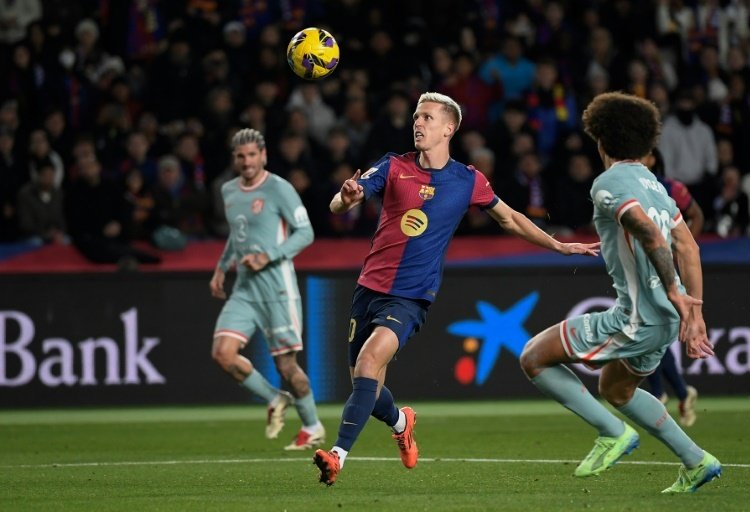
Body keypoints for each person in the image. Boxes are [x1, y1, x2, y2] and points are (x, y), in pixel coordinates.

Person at [312, 92, 600, 486]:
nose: (418, 123)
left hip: (411, 296)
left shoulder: (468, 180)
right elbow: (339, 204)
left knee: (367, 363)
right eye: (416, 116)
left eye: (427, 118)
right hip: (368, 289)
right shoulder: (393, 166)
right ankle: (401, 421)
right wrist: (346, 199)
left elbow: (511, 219)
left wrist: (559, 245)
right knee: (366, 386)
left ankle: (337, 456)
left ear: (449, 128)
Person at [519, 92, 721, 494]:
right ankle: (698, 461)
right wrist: (692, 313)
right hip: (665, 319)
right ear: (646, 143)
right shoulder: (656, 185)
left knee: (533, 358)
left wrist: (674, 293)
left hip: (638, 317)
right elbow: (689, 247)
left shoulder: (608, 183)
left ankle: (612, 432)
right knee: (616, 388)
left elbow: (645, 231)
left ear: (600, 141)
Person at [209, 128, 324, 451]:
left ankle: (312, 426)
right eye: (240, 156)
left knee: (287, 367)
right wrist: (221, 268)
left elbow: (306, 233)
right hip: (245, 290)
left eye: (252, 155)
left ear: (264, 156)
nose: (246, 162)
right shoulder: (229, 190)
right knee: (222, 353)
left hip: (278, 289)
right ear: (235, 159)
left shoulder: (280, 189)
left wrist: (268, 256)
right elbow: (237, 234)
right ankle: (276, 398)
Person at [641, 148, 703, 427]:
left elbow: (696, 216)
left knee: (650, 328)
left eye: (644, 155)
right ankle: (676, 391)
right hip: (644, 265)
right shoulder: (631, 184)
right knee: (651, 329)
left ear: (654, 158)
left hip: (667, 268)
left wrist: (683, 248)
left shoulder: (670, 188)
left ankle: (660, 392)